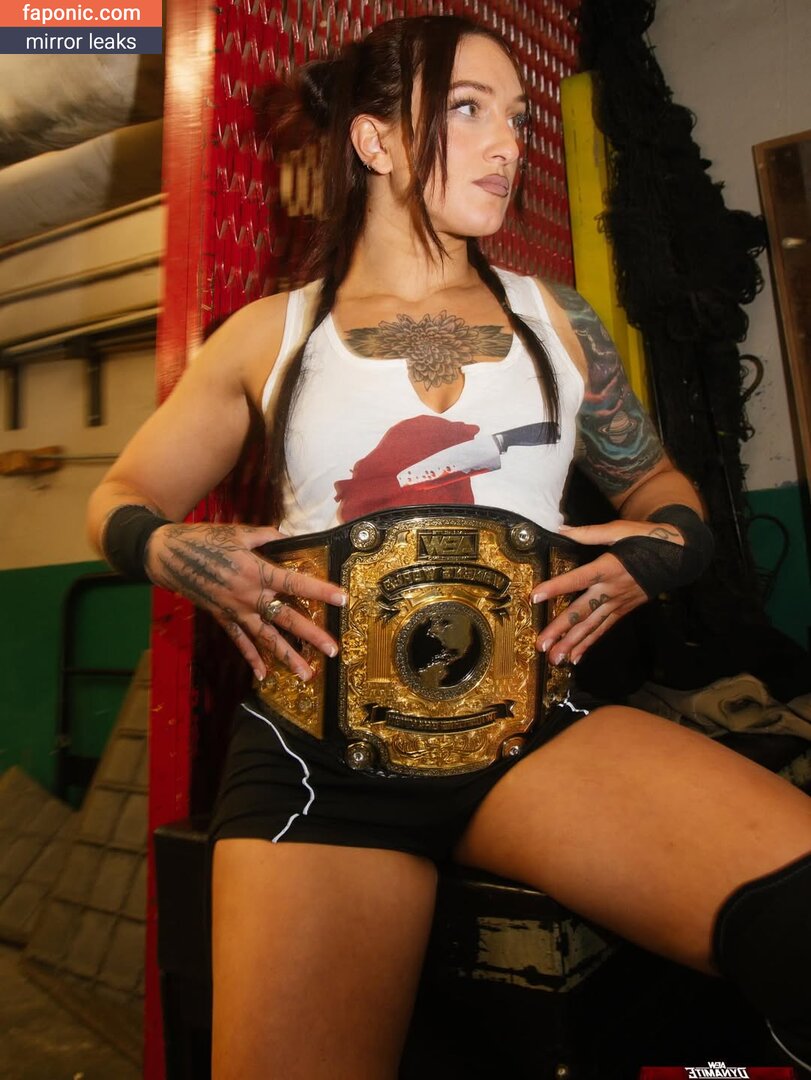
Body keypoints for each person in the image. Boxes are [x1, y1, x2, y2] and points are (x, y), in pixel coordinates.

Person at [86, 15, 811, 1079]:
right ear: (374, 139)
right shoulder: (269, 334)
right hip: (321, 762)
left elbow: (664, 494)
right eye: (467, 110)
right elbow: (120, 497)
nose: (507, 143)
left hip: (531, 731)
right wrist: (189, 556)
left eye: (515, 118)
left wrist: (661, 552)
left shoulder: (559, 322)